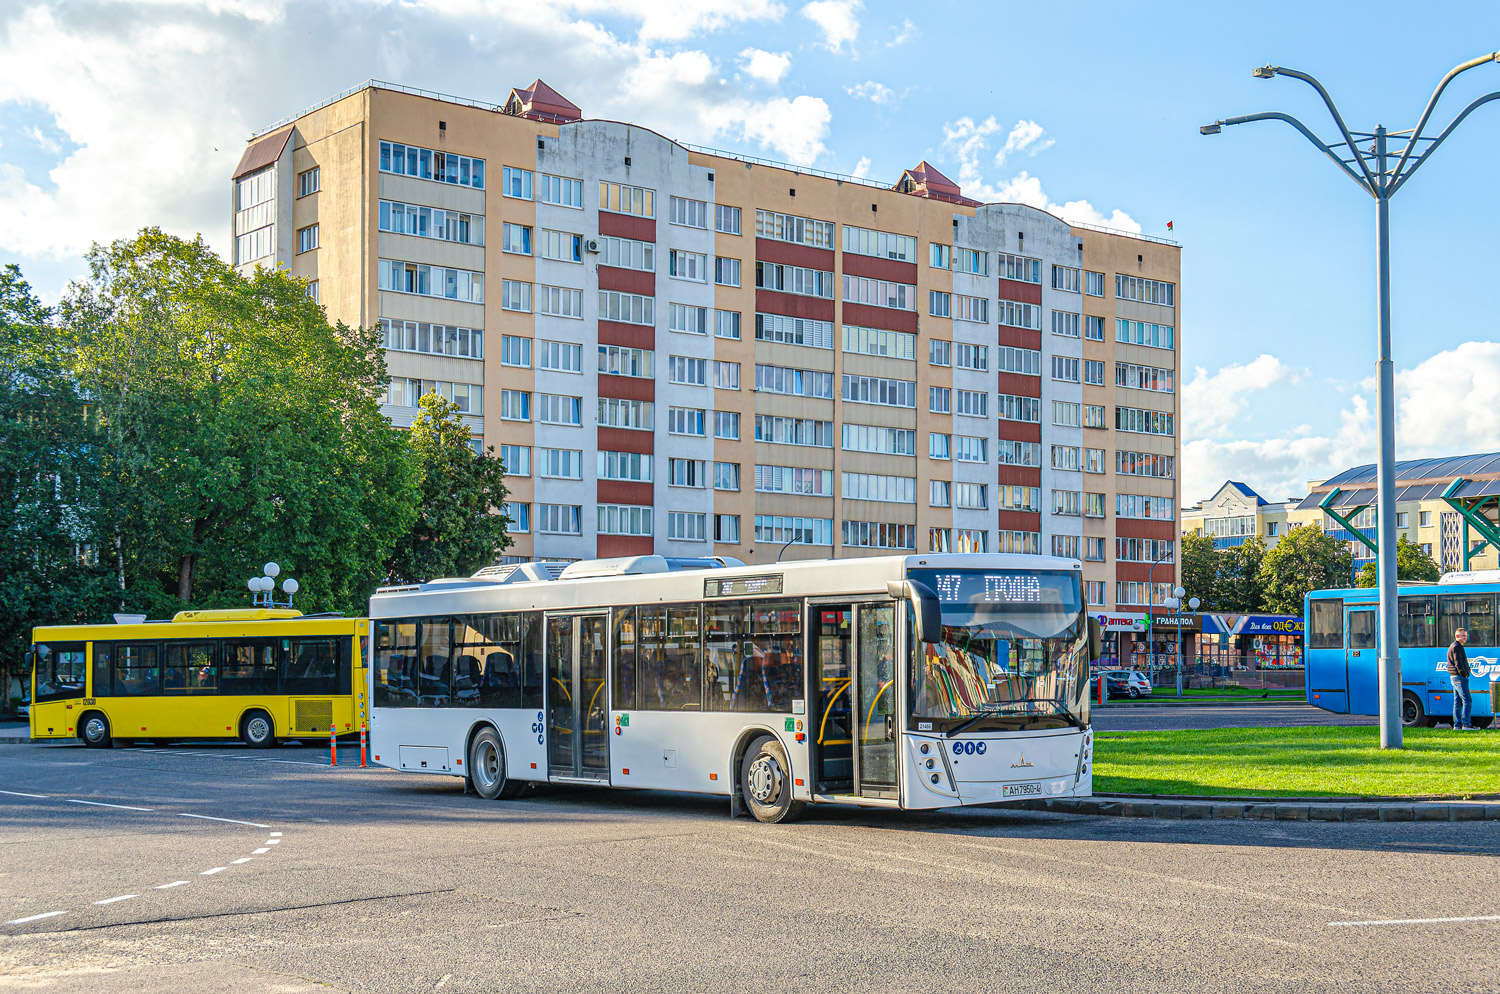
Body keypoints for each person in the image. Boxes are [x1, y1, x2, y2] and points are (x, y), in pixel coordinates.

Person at [1447, 628, 1473, 730]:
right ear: (1457, 636)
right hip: (1459, 677)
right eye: (1463, 636)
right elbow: (1458, 663)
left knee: (1457, 701)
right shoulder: (1457, 647)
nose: (1466, 638)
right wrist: (1465, 673)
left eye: (1466, 636)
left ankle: (1457, 725)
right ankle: (1466, 724)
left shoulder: (1454, 646)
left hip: (1455, 677)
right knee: (1467, 700)